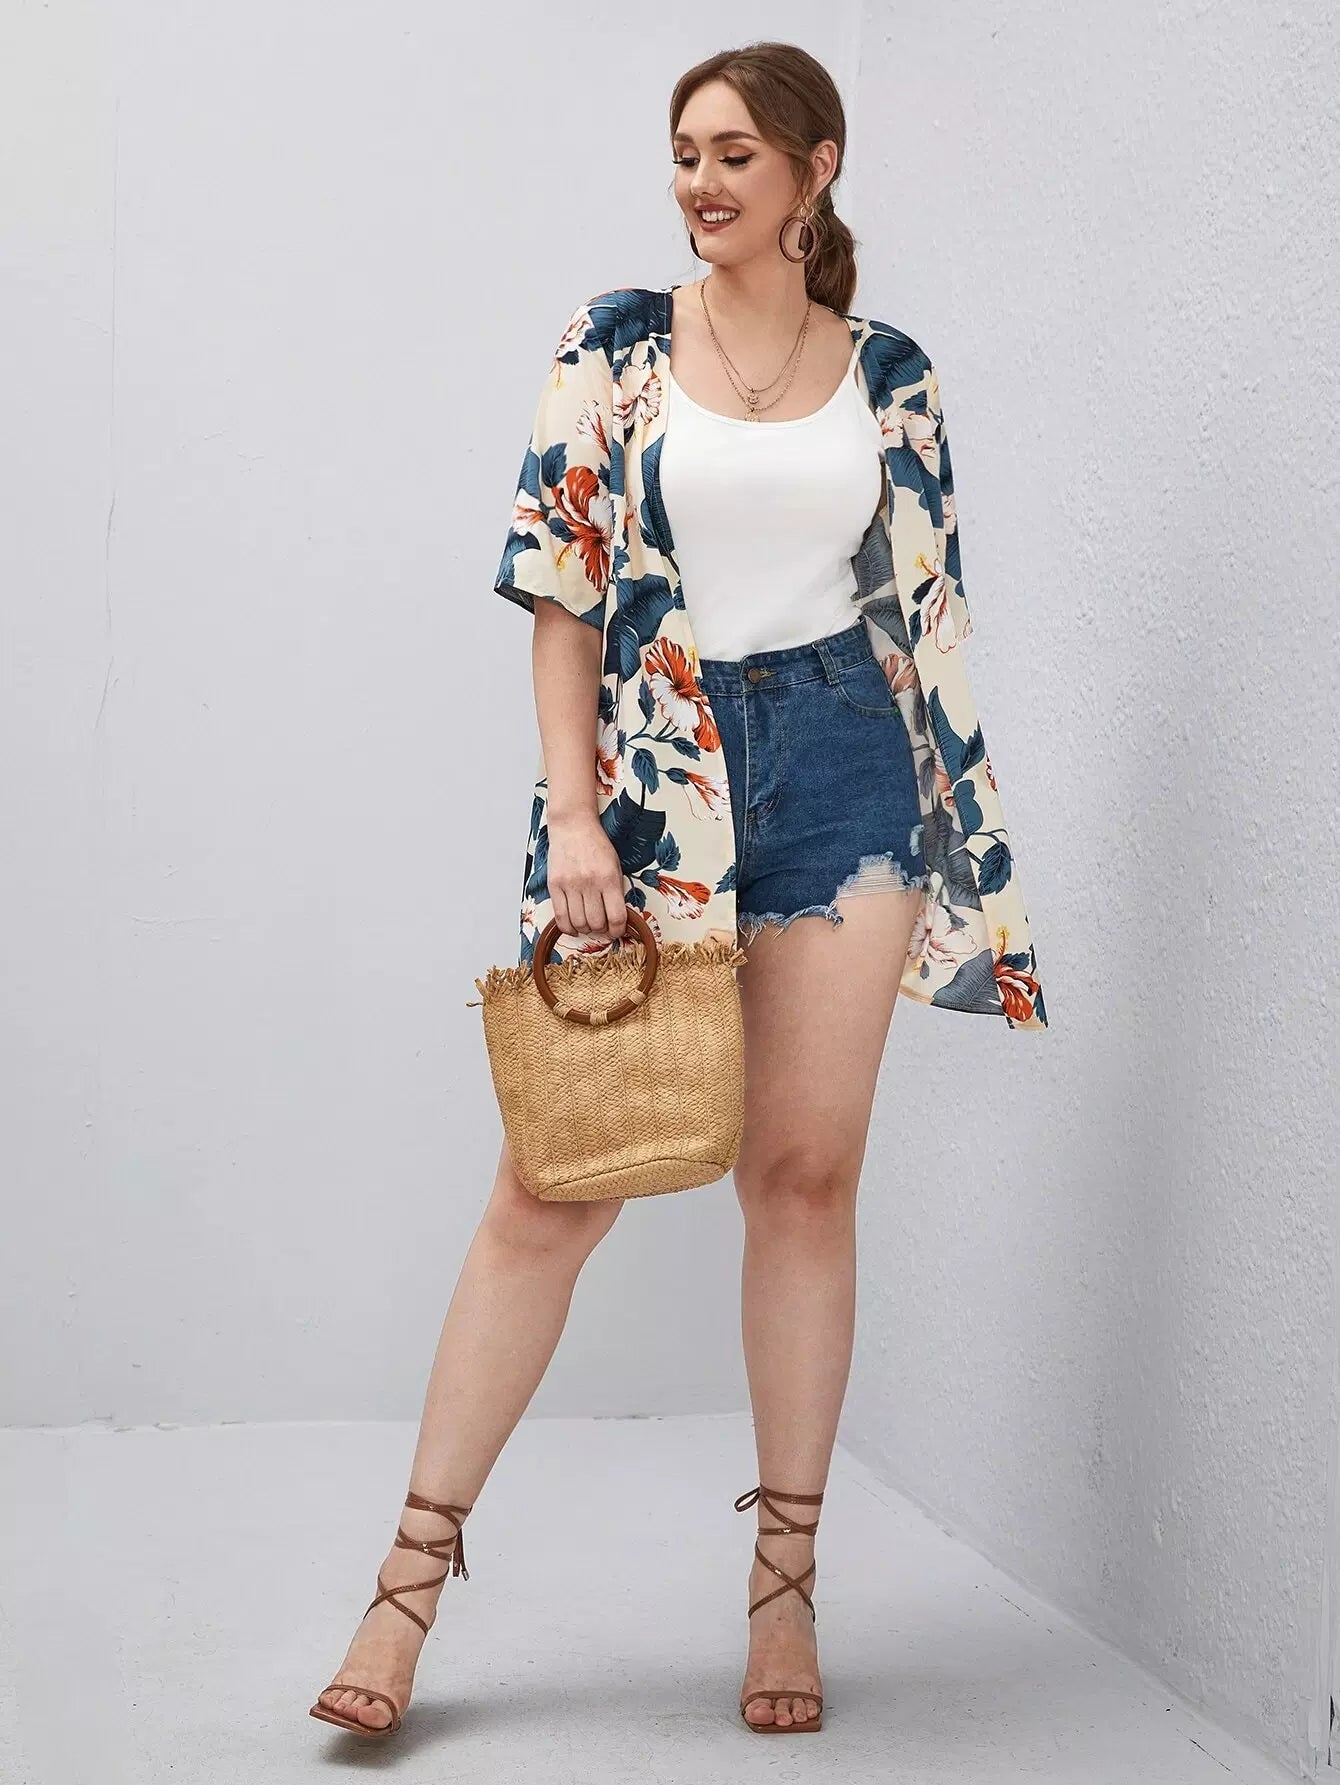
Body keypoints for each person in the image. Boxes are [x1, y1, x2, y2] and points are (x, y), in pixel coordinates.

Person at [310, 38, 1046, 1746]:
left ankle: (784, 1587)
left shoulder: (893, 369)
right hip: (654, 779)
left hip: (848, 773)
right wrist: (576, 817)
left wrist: (963, 842)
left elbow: (924, 619)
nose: (700, 182)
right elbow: (561, 586)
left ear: (815, 169)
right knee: (553, 1181)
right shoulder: (617, 343)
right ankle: (405, 1584)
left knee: (802, 1177)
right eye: (685, 153)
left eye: (733, 154)